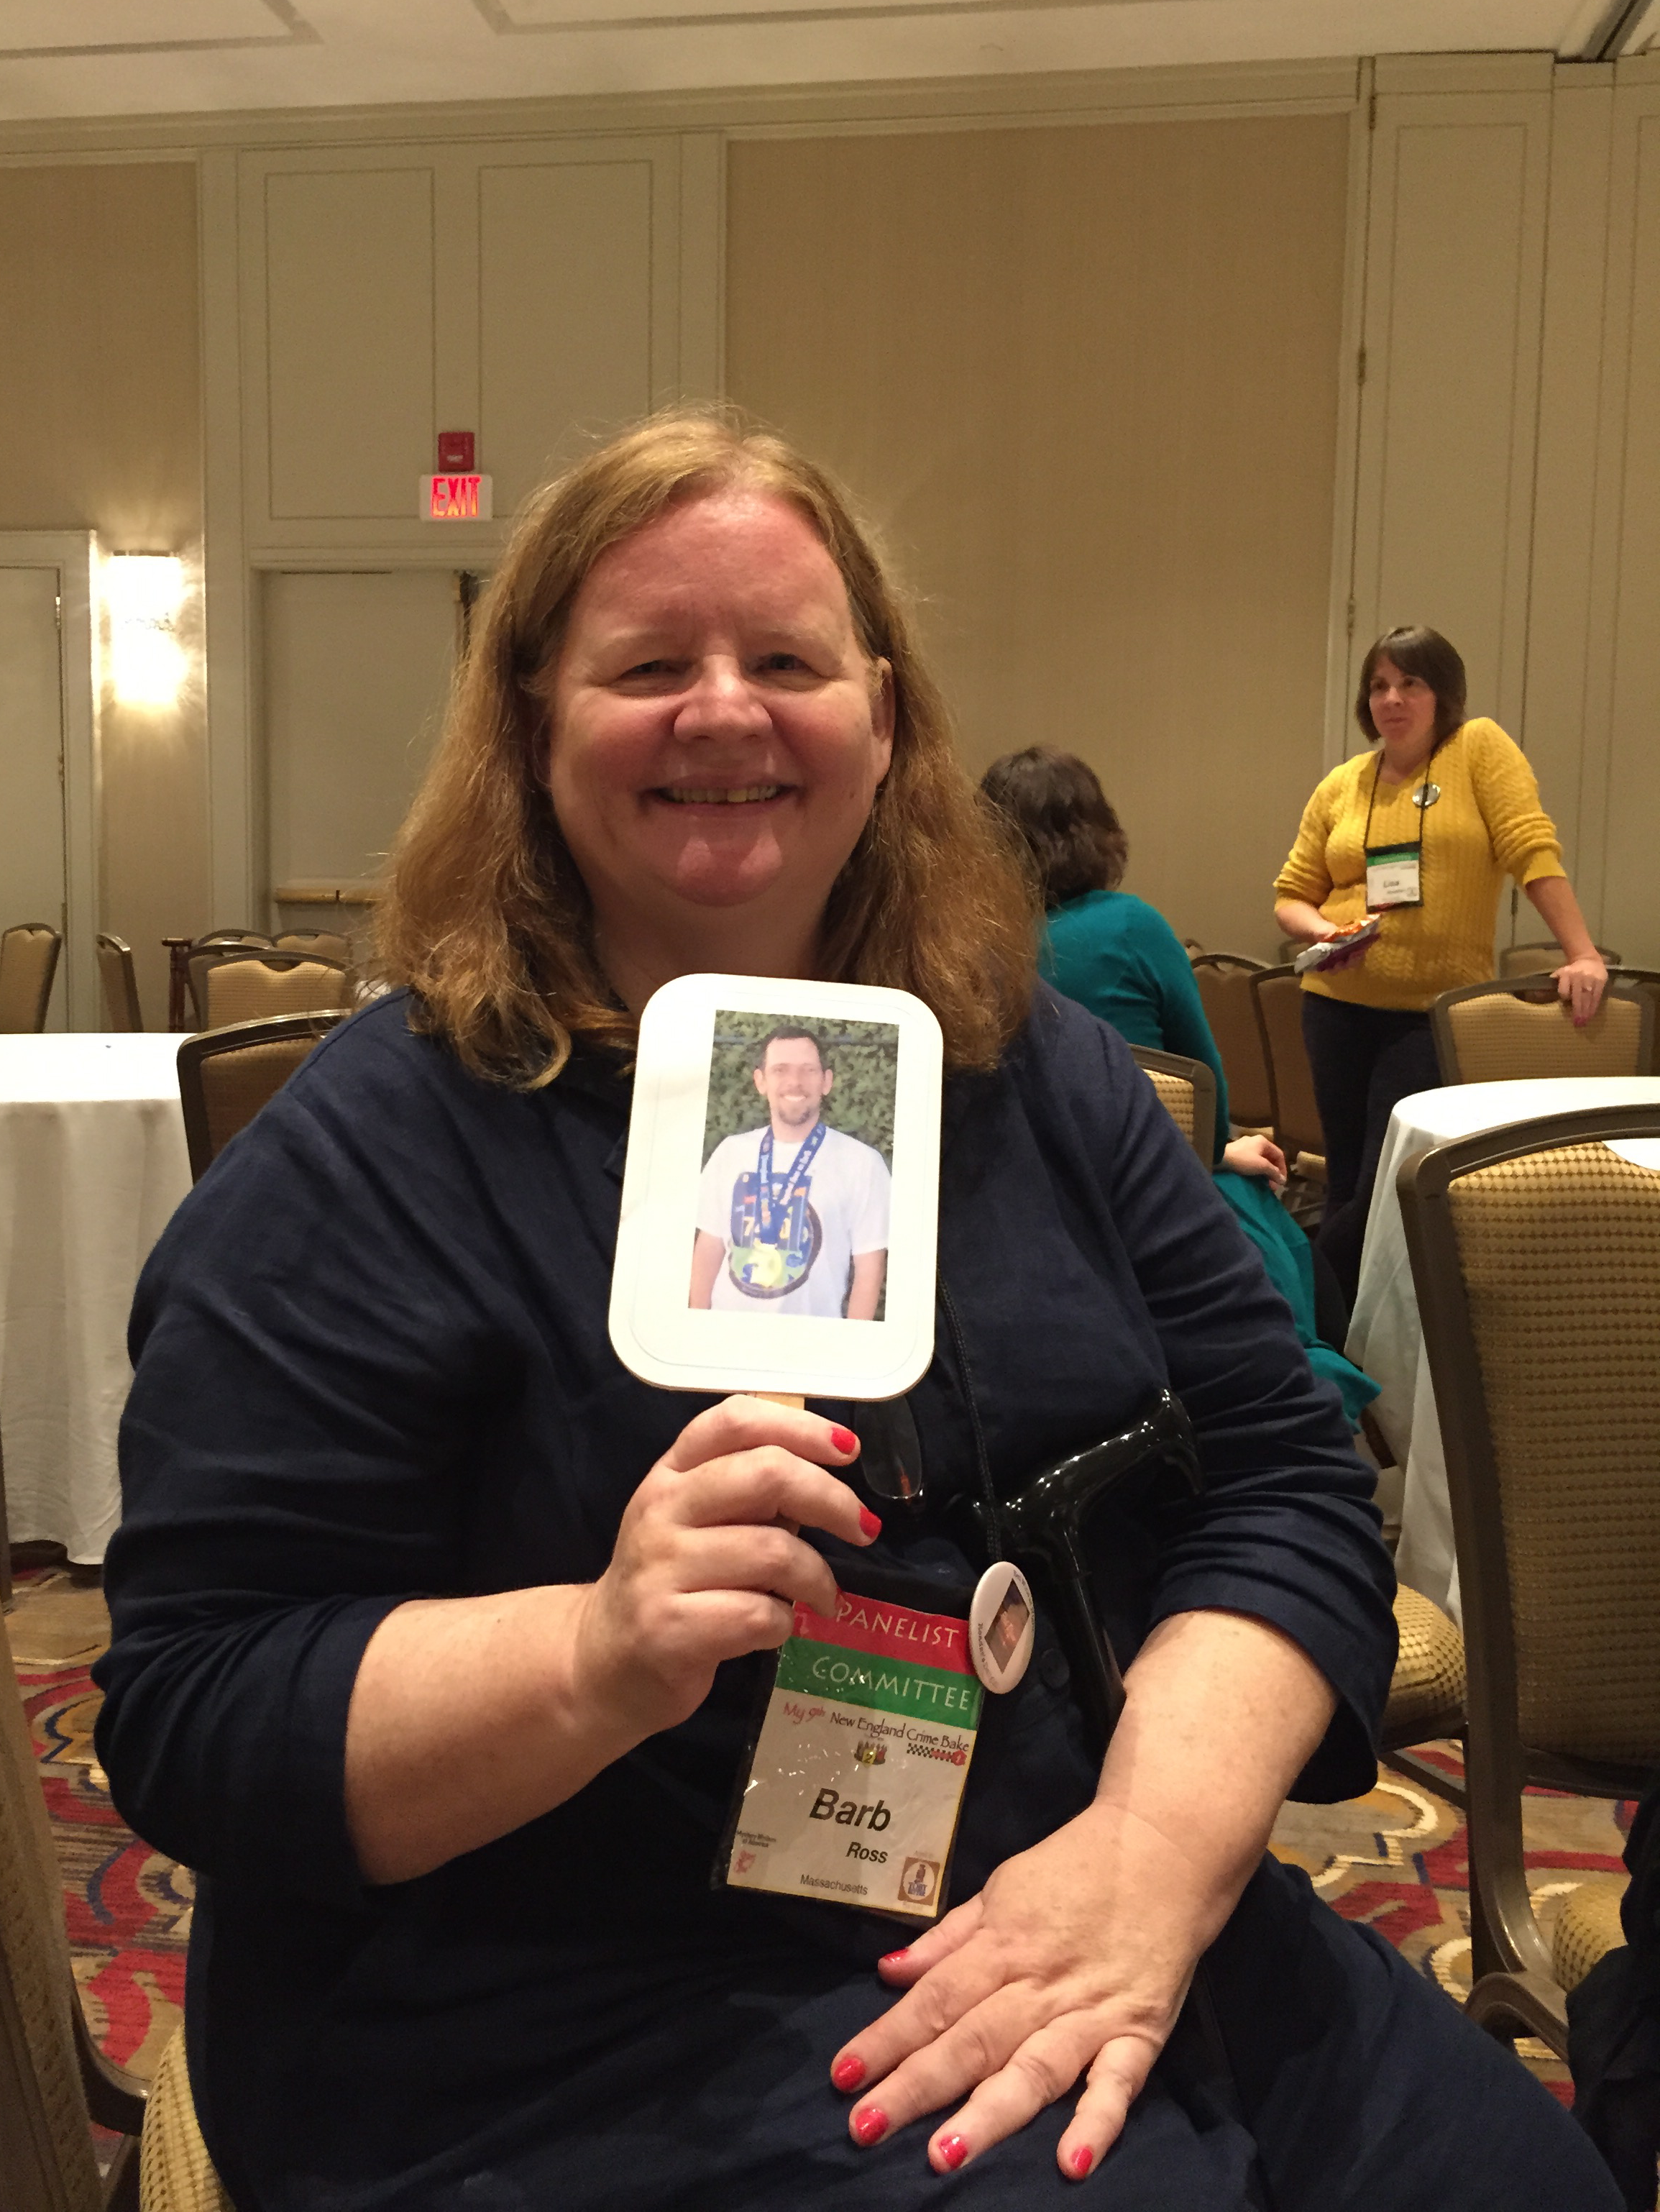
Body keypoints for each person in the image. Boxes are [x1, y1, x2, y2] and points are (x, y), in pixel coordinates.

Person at [94, 416, 1618, 2212]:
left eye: (787, 661)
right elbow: (199, 1704)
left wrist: (1144, 1864)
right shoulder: (374, 1153)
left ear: (881, 721)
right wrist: (592, 1654)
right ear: (527, 725)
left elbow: (1284, 1484)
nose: (723, 712)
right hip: (572, 2008)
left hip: (1091, 1871)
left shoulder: (1033, 1072)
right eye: (646, 667)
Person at [981, 745, 1375, 1426]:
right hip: (1153, 1186)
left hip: (1028, 1205)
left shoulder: (983, 944)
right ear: (1095, 829)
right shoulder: (1131, 924)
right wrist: (1224, 1150)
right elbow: (1204, 1100)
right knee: (1298, 1264)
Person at [1275, 625, 1607, 1297]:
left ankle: (1290, 1295)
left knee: (1383, 1185)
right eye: (1379, 686)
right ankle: (1341, 1335)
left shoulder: (1477, 748)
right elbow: (1291, 895)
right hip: (1335, 1008)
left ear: (1443, 693)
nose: (1392, 699)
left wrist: (1583, 952)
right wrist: (1328, 931)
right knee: (1346, 1179)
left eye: (1410, 683)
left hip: (1428, 1017)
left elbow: (1531, 850)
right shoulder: (1342, 784)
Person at [692, 1024, 890, 1315]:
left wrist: (852, 1342)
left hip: (811, 1339)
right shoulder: (730, 1152)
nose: (795, 1082)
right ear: (760, 1081)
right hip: (725, 1332)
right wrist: (696, 1327)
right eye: (780, 1070)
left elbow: (869, 1272)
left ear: (826, 1081)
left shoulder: (863, 1163)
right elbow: (709, 1249)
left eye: (808, 1070)